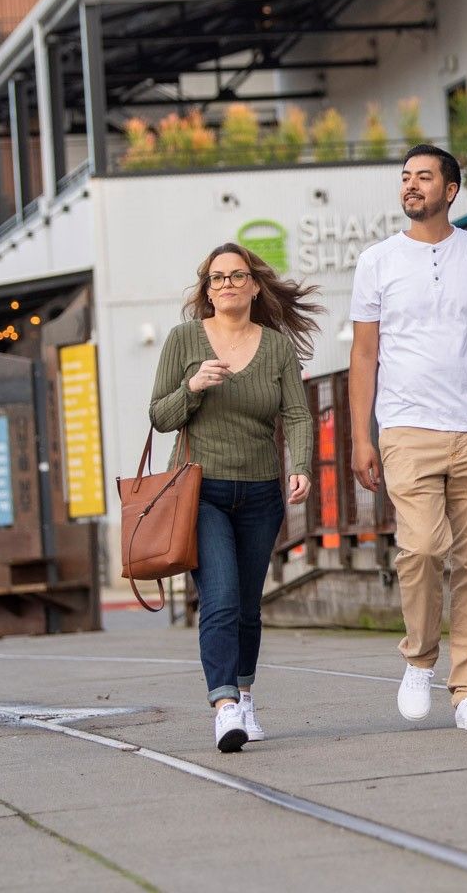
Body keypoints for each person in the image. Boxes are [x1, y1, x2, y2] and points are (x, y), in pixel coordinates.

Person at [349, 144, 467, 732]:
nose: (411, 185)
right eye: (406, 176)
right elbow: (364, 353)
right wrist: (361, 436)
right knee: (422, 548)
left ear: (450, 190)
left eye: (424, 177)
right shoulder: (376, 261)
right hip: (406, 427)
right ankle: (420, 657)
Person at [150, 241, 320, 753]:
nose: (227, 284)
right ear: (207, 290)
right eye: (217, 278)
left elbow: (296, 414)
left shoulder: (276, 348)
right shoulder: (183, 339)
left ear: (254, 286)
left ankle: (245, 696)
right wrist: (193, 386)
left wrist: (300, 466)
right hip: (200, 491)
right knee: (220, 598)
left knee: (247, 605)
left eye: (237, 276)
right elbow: (159, 416)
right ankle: (224, 706)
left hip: (261, 493)